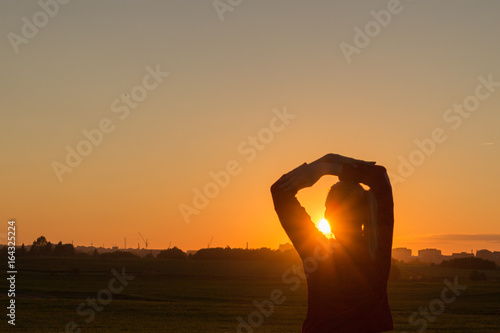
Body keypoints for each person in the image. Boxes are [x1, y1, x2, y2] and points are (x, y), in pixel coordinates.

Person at [271, 154, 394, 332]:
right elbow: (380, 177)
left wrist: (322, 166)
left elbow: (279, 191)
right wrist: (332, 167)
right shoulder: (377, 251)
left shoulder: (316, 251)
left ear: (328, 217)